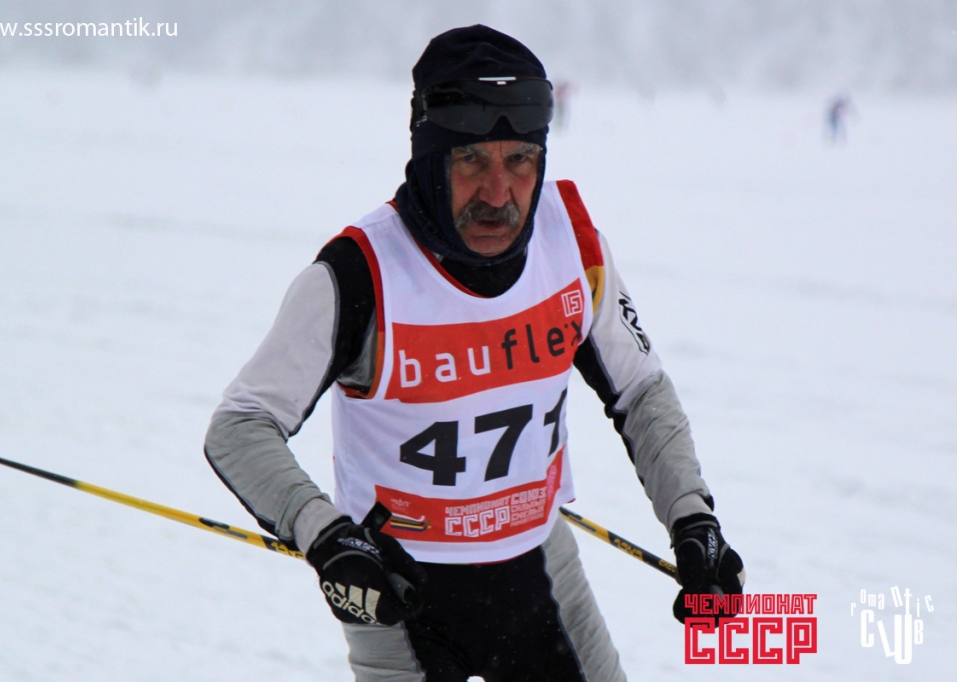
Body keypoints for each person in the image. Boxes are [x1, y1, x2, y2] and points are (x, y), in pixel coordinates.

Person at [205, 25, 745, 681]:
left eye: (520, 160)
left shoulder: (572, 246)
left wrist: (692, 517)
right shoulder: (358, 274)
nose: (498, 193)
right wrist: (325, 534)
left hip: (542, 577)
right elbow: (241, 425)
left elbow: (641, 390)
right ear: (428, 158)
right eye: (470, 160)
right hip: (400, 600)